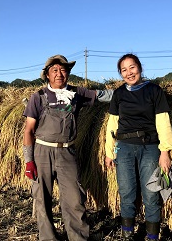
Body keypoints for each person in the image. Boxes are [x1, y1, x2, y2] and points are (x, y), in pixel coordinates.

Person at [22, 54, 112, 241]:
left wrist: (129, 91)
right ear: (47, 74)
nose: (59, 73)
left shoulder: (77, 93)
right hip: (42, 152)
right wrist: (29, 161)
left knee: (74, 198)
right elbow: (29, 130)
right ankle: (48, 237)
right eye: (54, 70)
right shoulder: (38, 97)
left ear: (68, 73)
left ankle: (78, 237)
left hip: (67, 151)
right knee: (42, 199)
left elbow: (102, 95)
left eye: (63, 70)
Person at [105, 53, 172, 241]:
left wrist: (165, 151)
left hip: (150, 148)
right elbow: (112, 125)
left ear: (140, 68)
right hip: (125, 148)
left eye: (132, 67)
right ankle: (127, 234)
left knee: (152, 193)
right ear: (120, 74)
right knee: (126, 192)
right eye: (124, 70)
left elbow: (163, 122)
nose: (129, 73)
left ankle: (152, 236)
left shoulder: (154, 90)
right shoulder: (119, 94)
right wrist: (109, 152)